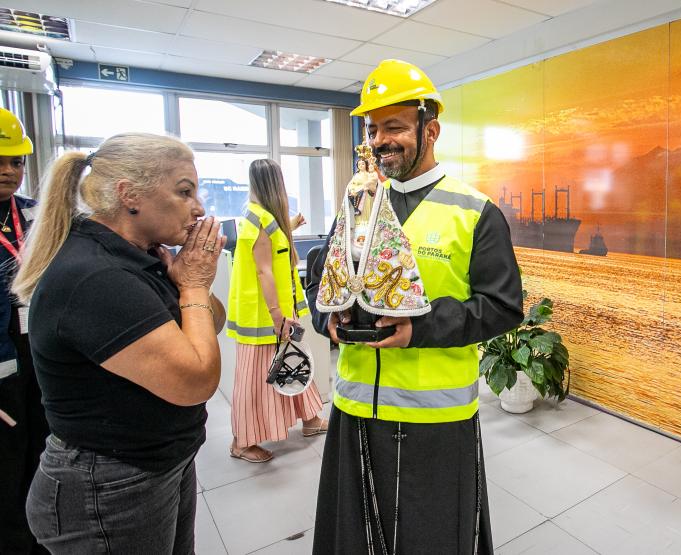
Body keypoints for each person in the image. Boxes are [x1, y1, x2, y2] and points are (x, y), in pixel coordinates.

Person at [306, 59, 523, 554]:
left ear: (432, 130)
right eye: (373, 128)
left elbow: (503, 307)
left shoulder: (476, 213)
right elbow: (324, 285)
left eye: (395, 127)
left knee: (433, 539)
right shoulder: (357, 205)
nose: (381, 140)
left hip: (437, 420)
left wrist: (418, 327)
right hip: (355, 408)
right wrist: (330, 321)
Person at [14, 133, 226, 553]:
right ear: (130, 195)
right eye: (185, 191)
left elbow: (209, 323)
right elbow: (196, 378)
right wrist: (196, 285)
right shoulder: (97, 276)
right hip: (107, 483)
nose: (198, 207)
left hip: (153, 463)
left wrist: (188, 286)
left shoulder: (141, 255)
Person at [226, 159, 327, 463]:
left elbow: (274, 247)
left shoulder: (265, 219)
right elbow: (264, 272)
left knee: (295, 362)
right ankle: (241, 443)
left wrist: (291, 225)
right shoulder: (255, 220)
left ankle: (310, 420)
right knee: (254, 379)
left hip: (280, 312)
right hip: (264, 317)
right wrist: (277, 317)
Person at [0, 107, 49, 554]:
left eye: (16, 161)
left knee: (41, 455)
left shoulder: (36, 216)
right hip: (0, 370)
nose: (9, 171)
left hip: (40, 354)